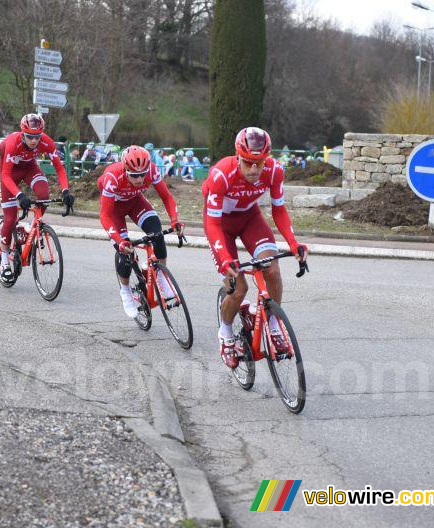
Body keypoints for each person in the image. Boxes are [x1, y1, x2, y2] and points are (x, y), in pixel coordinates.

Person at [204, 127, 307, 369]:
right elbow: (212, 222)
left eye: (259, 163)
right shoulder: (221, 174)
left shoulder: (274, 171)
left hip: (250, 219)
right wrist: (225, 259)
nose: (254, 170)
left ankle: (273, 325)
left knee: (271, 269)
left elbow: (279, 210)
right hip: (221, 226)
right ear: (238, 157)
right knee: (239, 287)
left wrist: (293, 243)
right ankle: (226, 333)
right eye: (249, 163)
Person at [99, 145, 184, 318]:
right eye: (134, 176)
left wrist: (175, 220)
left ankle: (161, 276)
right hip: (114, 210)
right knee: (126, 254)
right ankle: (125, 292)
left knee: (157, 233)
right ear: (126, 169)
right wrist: (118, 239)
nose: (139, 179)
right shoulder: (112, 177)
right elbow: (105, 216)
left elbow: (167, 197)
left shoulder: (151, 170)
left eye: (142, 175)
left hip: (135, 202)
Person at [0, 114, 73, 277]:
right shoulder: (12, 143)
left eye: (37, 137)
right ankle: (3, 260)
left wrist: (65, 190)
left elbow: (59, 168)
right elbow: (5, 176)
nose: (33, 141)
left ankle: (32, 228)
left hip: (29, 167)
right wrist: (19, 195)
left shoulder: (46, 142)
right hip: (9, 174)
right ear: (23, 133)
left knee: (43, 195)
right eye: (30, 137)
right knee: (10, 219)